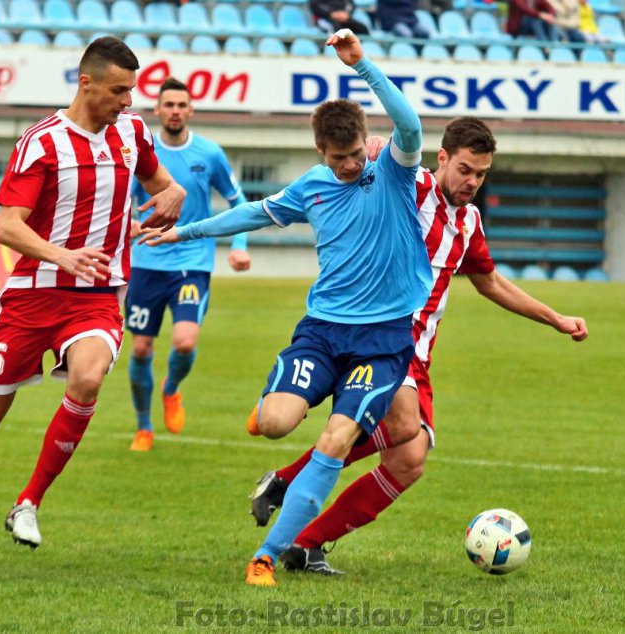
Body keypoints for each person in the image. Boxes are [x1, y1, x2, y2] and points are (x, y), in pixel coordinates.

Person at [139, 29, 431, 587]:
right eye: (339, 157)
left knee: (336, 439)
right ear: (321, 152)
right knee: (274, 424)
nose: (350, 166)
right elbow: (249, 214)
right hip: (321, 331)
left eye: (354, 154)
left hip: (383, 340)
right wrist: (184, 233)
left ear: (368, 141)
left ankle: (267, 555)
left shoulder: (393, 172)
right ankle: (272, 397)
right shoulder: (314, 186)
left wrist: (362, 65)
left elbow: (412, 126)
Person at [248, 118, 589, 575]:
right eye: (465, 169)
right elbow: (362, 166)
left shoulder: (469, 222)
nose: (472, 182)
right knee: (405, 425)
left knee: (408, 461)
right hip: (381, 339)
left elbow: (488, 281)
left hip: (419, 354)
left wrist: (555, 319)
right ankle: (289, 482)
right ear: (442, 158)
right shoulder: (410, 187)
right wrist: (371, 149)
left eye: (482, 174)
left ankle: (306, 543)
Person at [0, 36, 185, 568]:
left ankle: (28, 502)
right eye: (118, 91)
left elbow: (160, 183)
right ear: (87, 83)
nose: (128, 102)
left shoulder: (132, 133)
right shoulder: (43, 142)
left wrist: (174, 193)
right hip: (31, 297)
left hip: (98, 295)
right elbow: (7, 227)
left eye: (132, 91)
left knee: (87, 379)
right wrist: (62, 255)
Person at [126, 77, 251, 452]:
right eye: (169, 105)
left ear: (191, 110)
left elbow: (237, 200)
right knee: (141, 349)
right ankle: (144, 427)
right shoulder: (143, 154)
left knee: (184, 342)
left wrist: (239, 244)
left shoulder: (209, 154)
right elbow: (122, 200)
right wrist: (126, 225)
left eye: (182, 105)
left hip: (192, 260)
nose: (176, 111)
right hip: (147, 260)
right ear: (158, 110)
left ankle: (172, 389)